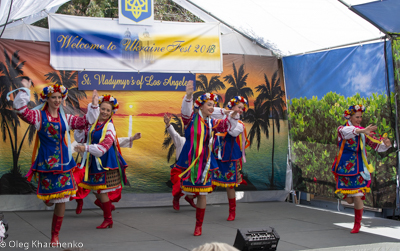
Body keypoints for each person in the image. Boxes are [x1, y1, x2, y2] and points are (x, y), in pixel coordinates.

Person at [11, 77, 99, 246]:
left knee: (62, 200)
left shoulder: (66, 119)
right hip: (46, 164)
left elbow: (85, 122)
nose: (57, 100)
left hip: (65, 165)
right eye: (54, 97)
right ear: (47, 99)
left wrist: (94, 105)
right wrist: (24, 90)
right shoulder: (38, 116)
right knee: (50, 199)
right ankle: (48, 198)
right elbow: (21, 111)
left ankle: (55, 235)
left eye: (60, 97)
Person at [177, 80, 239, 236]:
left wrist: (231, 116)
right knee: (191, 189)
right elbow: (185, 110)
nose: (212, 107)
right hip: (191, 160)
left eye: (213, 105)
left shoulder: (212, 122)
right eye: (209, 104)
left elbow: (227, 127)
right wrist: (189, 96)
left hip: (205, 160)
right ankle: (188, 197)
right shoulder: (190, 119)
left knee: (203, 193)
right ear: (201, 106)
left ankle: (199, 226)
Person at [332, 104, 391, 234]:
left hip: (359, 168)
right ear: (350, 117)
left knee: (358, 196)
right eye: (357, 117)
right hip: (344, 169)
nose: (359, 120)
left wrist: (386, 144)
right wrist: (361, 131)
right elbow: (349, 133)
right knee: (349, 199)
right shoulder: (342, 129)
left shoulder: (363, 132)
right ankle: (348, 194)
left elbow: (376, 146)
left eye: (360, 117)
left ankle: (357, 224)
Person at [74, 94, 129, 229]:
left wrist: (85, 148)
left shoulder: (109, 127)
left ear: (111, 113)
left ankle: (108, 218)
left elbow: (103, 148)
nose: (104, 112)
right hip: (94, 162)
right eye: (102, 109)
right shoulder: (94, 124)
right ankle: (108, 208)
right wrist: (80, 129)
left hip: (105, 163)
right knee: (95, 189)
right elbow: (82, 139)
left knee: (101, 191)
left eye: (107, 110)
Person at [72, 131, 141, 214]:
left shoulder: (101, 137)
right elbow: (69, 149)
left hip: (99, 167)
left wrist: (132, 138)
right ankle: (80, 202)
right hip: (86, 166)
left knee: (99, 189)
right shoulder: (80, 139)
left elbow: (115, 141)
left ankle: (103, 206)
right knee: (75, 180)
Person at [211, 96, 249, 221]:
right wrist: (225, 113)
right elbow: (211, 111)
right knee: (209, 178)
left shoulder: (240, 125)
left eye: (242, 109)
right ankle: (192, 197)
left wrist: (232, 117)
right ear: (232, 106)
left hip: (230, 155)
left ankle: (232, 211)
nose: (241, 110)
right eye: (239, 107)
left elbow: (232, 132)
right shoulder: (221, 117)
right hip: (217, 153)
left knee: (230, 185)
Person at [163, 113, 196, 210]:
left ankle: (190, 198)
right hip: (180, 170)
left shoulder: (199, 143)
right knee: (178, 187)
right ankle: (176, 199)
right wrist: (168, 124)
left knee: (200, 186)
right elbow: (173, 134)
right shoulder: (181, 140)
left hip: (192, 169)